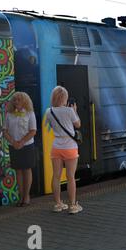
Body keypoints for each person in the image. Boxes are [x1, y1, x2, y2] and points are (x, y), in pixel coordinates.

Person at [45, 86, 82, 214]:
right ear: (65, 98)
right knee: (70, 176)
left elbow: (51, 125)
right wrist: (74, 111)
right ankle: (72, 205)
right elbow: (78, 125)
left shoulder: (49, 111)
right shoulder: (69, 111)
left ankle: (58, 204)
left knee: (56, 176)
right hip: (70, 146)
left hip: (56, 147)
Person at [3, 92, 37, 207]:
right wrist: (13, 142)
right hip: (14, 146)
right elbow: (5, 131)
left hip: (27, 146)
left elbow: (33, 131)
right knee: (18, 170)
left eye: (19, 100)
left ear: (25, 101)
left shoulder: (30, 113)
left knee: (26, 170)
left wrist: (22, 142)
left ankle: (26, 196)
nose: (16, 102)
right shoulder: (9, 114)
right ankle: (21, 196)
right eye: (15, 100)